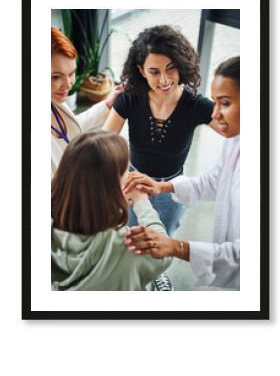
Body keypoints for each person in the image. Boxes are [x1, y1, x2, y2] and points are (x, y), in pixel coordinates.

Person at [123, 56, 240, 290]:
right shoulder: (235, 140)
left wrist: (177, 247)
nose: (215, 115)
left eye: (225, 103)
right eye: (215, 103)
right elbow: (214, 181)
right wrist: (162, 187)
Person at [103, 25, 217, 236]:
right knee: (130, 238)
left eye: (171, 68)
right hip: (132, 185)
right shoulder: (131, 97)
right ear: (141, 71)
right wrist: (117, 179)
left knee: (162, 242)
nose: (164, 80)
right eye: (154, 72)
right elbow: (102, 144)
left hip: (172, 191)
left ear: (182, 65)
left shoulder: (196, 105)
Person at [51, 130, 172, 291]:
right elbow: (165, 253)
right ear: (111, 188)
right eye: (125, 172)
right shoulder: (129, 248)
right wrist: (142, 202)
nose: (129, 175)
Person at [51, 27, 123, 177]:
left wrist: (107, 105)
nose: (68, 84)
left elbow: (69, 128)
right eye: (56, 77)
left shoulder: (54, 100)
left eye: (71, 73)